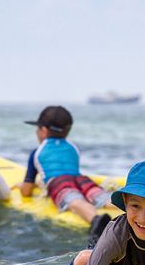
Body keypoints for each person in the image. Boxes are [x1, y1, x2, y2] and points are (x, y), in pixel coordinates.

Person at [15, 105, 114, 247]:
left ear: (43, 130)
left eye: (37, 128)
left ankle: (96, 220)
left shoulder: (36, 152)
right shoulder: (74, 147)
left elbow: (26, 191)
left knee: (76, 201)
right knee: (102, 197)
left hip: (58, 183)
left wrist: (23, 185)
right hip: (80, 179)